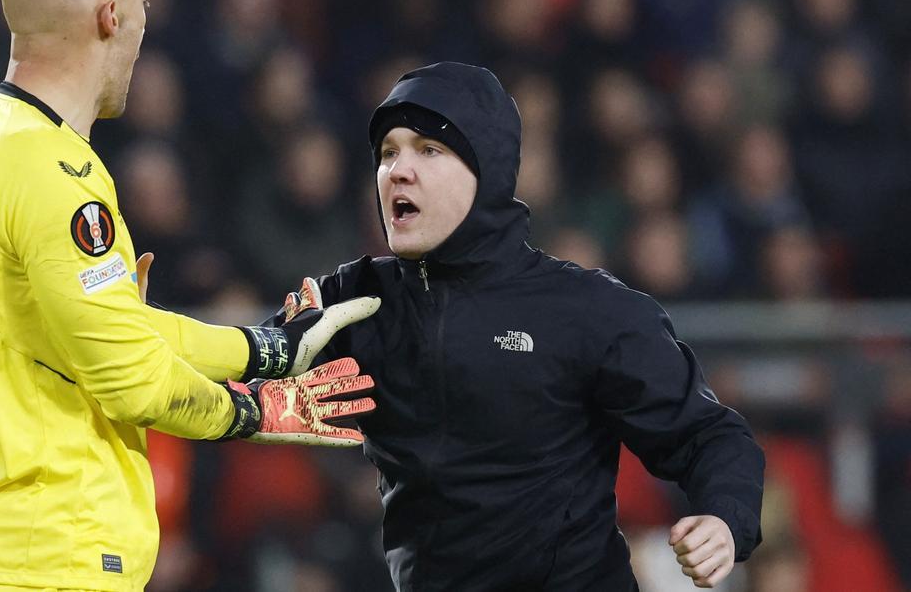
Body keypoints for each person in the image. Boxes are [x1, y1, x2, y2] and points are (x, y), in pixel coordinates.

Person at [0, 0, 379, 591]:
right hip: (57, 556)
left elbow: (109, 333)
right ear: (110, 18)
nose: (139, 43)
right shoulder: (55, 170)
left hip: (10, 548)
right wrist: (258, 411)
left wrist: (267, 350)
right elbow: (129, 376)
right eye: (140, 17)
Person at [269, 62, 765, 590]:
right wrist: (173, 338)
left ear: (487, 170)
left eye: (428, 149)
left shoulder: (586, 309)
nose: (397, 170)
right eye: (388, 152)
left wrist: (722, 517)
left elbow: (709, 433)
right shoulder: (354, 300)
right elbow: (243, 361)